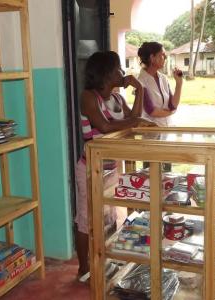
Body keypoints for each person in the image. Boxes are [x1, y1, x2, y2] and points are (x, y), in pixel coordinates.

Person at [75, 51, 155, 280]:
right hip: (90, 168)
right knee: (86, 219)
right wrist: (136, 121)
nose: (122, 73)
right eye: (119, 68)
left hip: (111, 166)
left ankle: (104, 258)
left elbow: (133, 119)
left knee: (108, 215)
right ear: (106, 73)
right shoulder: (88, 97)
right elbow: (105, 126)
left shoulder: (118, 98)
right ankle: (84, 269)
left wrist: (139, 90)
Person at [137, 41, 183, 127]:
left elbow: (172, 105)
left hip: (168, 127)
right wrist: (171, 112)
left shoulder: (163, 78)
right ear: (152, 58)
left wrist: (179, 83)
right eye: (162, 54)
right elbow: (151, 111)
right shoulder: (140, 81)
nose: (165, 57)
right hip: (152, 131)